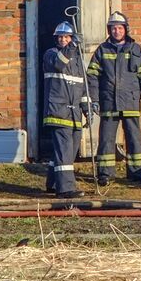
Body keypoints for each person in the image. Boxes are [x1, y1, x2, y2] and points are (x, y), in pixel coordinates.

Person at [86, 11, 141, 185]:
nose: (117, 31)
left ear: (126, 29)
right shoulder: (102, 50)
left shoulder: (137, 50)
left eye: (120, 28)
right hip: (108, 101)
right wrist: (93, 99)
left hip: (130, 101)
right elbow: (92, 76)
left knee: (134, 138)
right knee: (106, 138)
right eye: (114, 28)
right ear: (110, 30)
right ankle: (105, 174)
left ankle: (137, 172)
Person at [41, 21, 87, 198]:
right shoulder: (51, 54)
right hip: (58, 111)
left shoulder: (77, 62)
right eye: (60, 37)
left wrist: (87, 108)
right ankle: (66, 189)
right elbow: (59, 64)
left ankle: (53, 183)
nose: (63, 40)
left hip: (74, 113)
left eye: (66, 37)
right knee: (65, 150)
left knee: (67, 151)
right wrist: (73, 45)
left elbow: (83, 87)